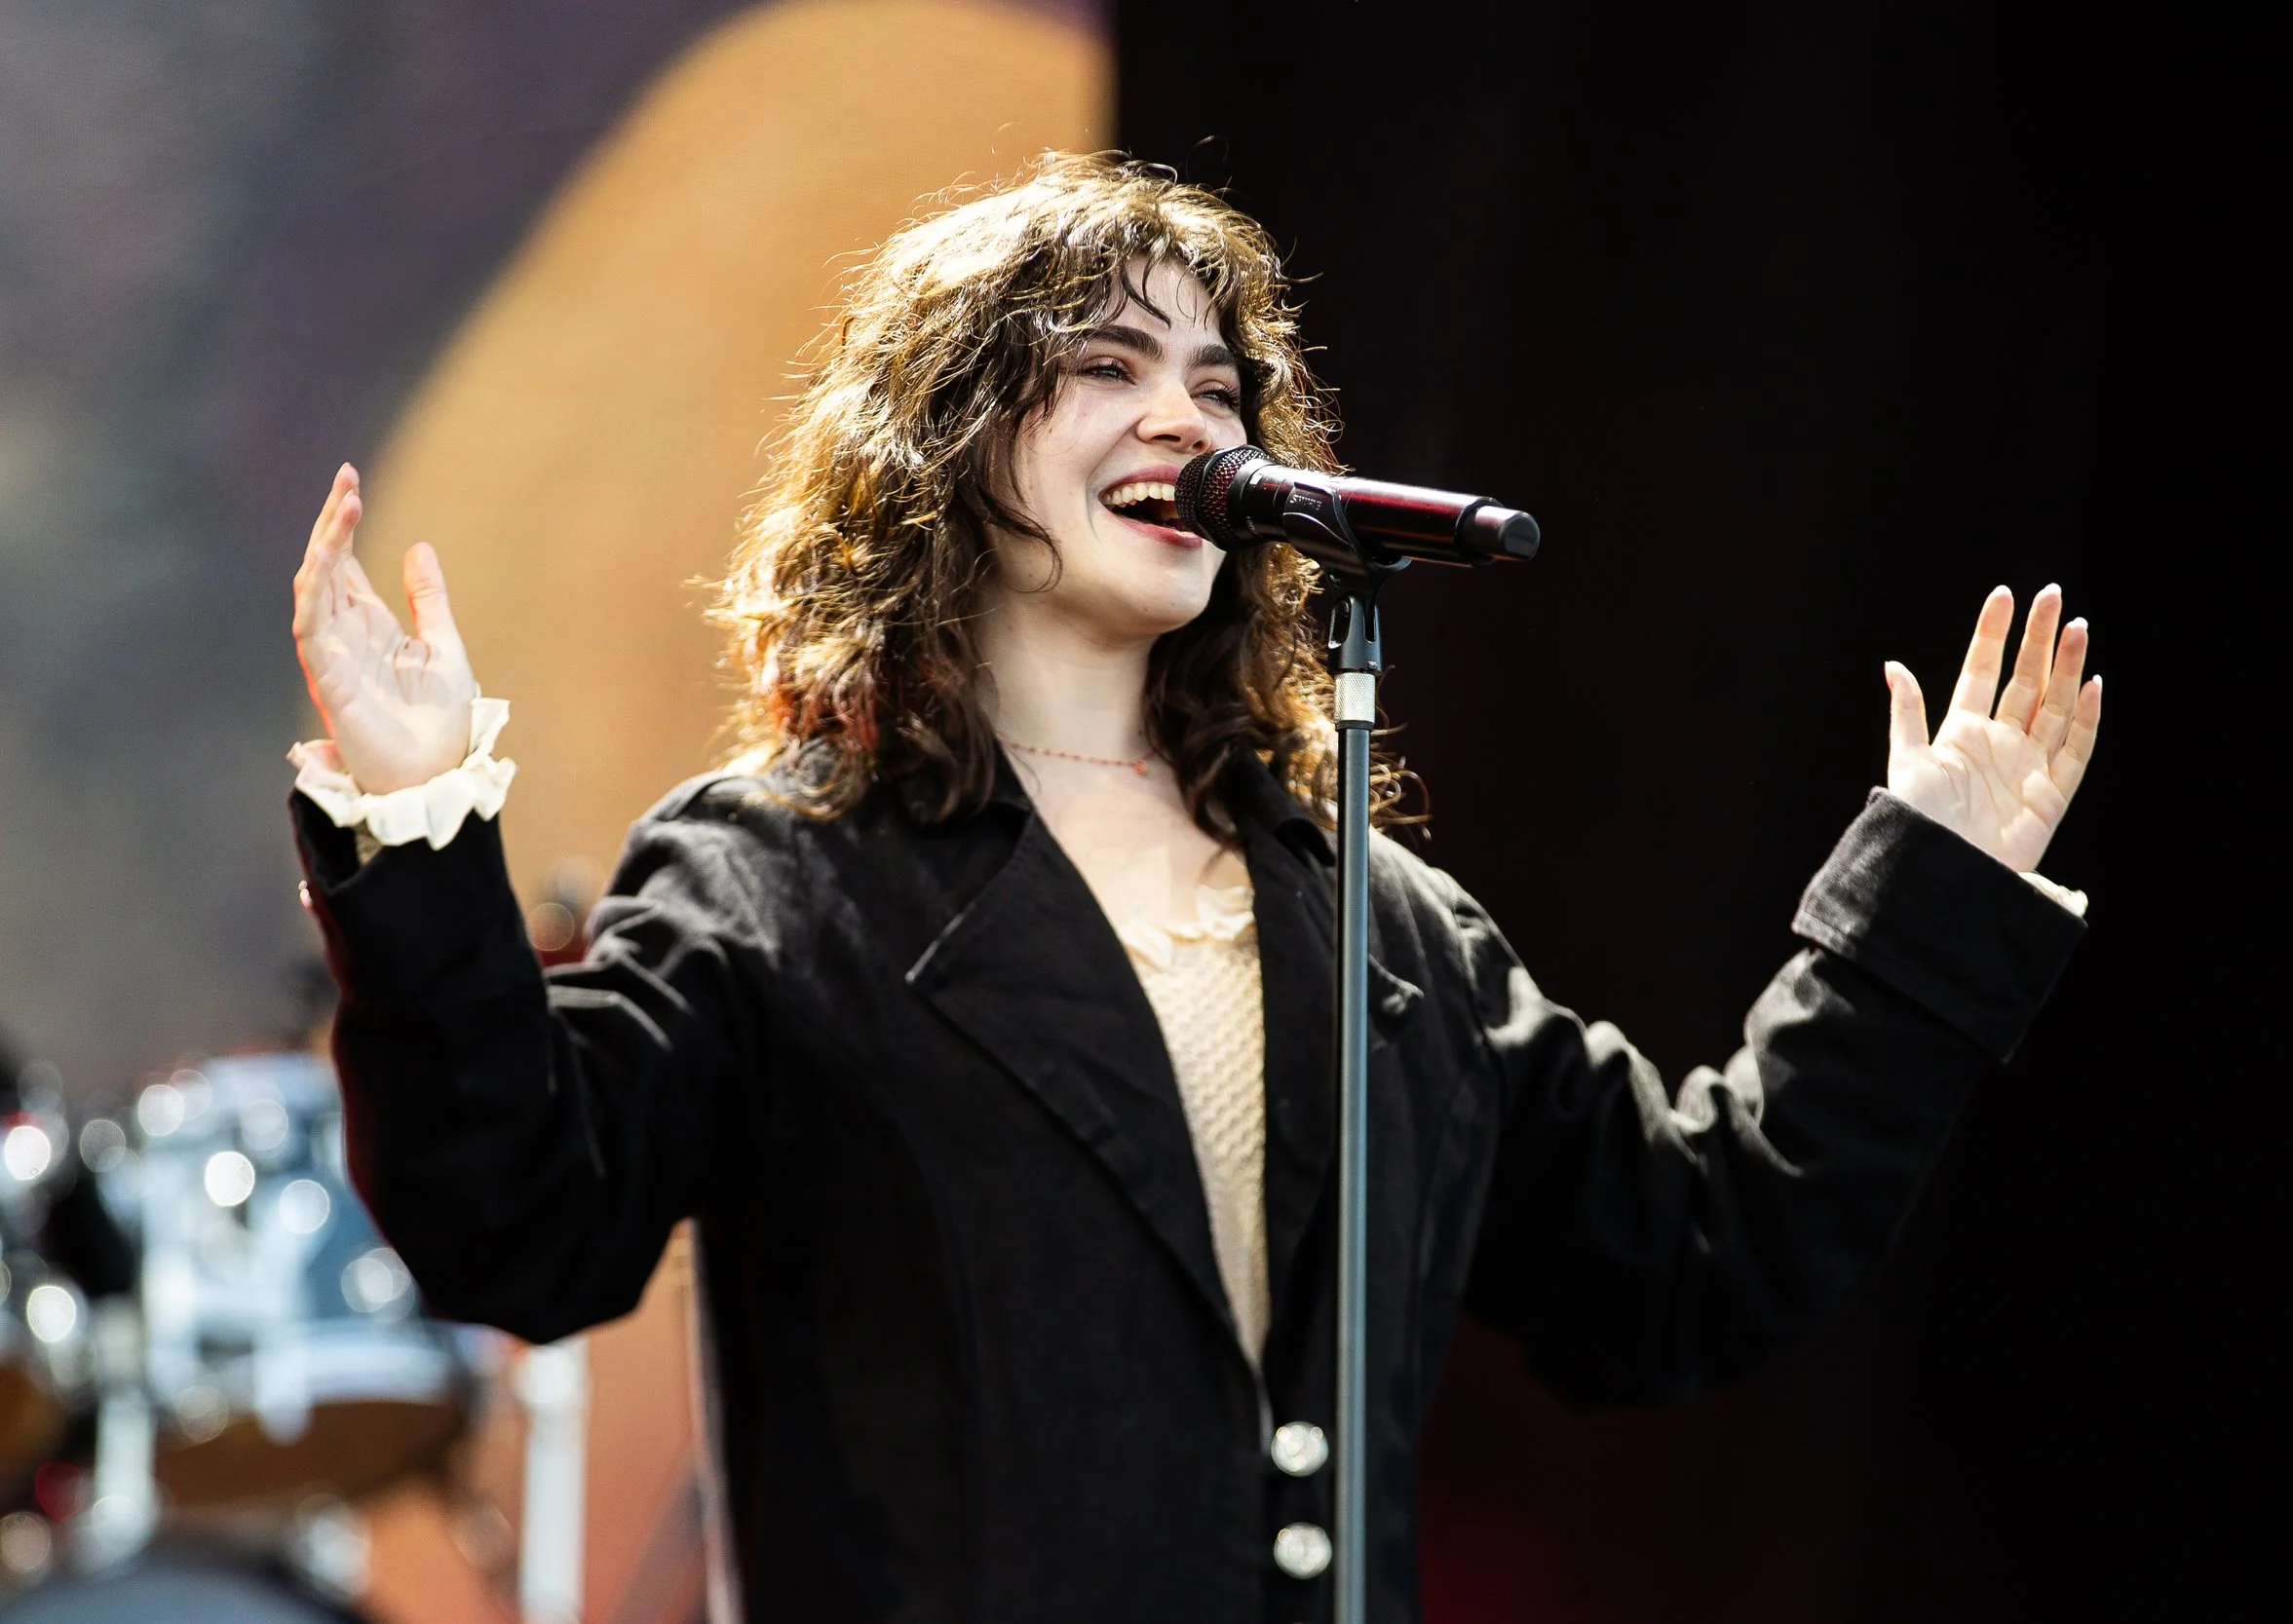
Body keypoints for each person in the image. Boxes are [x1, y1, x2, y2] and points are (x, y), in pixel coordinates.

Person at [286, 154, 2100, 1624]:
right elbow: (517, 1221)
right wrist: (417, 813)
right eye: (1107, 367)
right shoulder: (786, 877)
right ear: (943, 440)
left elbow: (1698, 1258)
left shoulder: (1375, 924)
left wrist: (1927, 894)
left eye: (1219, 386)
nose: (1185, 416)